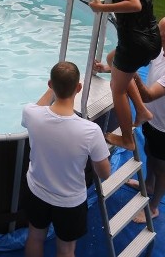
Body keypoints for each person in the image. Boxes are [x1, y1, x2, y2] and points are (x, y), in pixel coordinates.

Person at [99, 16, 165, 223]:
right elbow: (121, 59)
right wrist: (112, 66)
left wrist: (133, 77)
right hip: (151, 120)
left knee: (162, 169)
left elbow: (148, 95)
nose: (153, 32)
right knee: (150, 153)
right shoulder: (160, 50)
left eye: (158, 30)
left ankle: (154, 206)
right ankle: (148, 185)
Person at [88, 0, 165, 151]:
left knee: (116, 89)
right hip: (153, 40)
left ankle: (126, 139)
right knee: (111, 60)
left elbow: (134, 4)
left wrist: (101, 8)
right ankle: (142, 111)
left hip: (134, 43)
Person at [21, 62, 111, 257]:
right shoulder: (90, 131)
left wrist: (51, 88)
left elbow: (39, 107)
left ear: (50, 84)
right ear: (79, 88)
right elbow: (104, 172)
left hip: (37, 191)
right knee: (66, 249)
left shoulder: (31, 114)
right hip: (70, 201)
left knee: (35, 237)